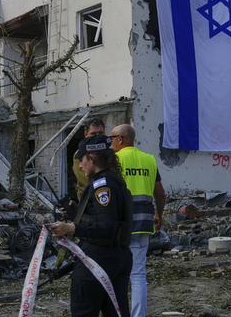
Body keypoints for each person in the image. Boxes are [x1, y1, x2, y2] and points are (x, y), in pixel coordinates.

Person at [49, 135, 133, 316]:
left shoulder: (103, 186)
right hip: (116, 257)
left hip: (99, 259)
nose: (80, 166)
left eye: (82, 160)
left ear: (92, 158)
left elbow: (107, 227)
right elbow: (100, 219)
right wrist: (74, 216)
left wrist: (72, 228)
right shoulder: (114, 181)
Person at [109, 124, 165, 317]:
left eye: (112, 138)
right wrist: (159, 214)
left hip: (120, 227)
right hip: (143, 224)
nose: (110, 143)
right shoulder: (149, 160)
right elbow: (160, 193)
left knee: (116, 274)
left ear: (121, 139)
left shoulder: (114, 160)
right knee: (138, 275)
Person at [72, 119, 106, 201]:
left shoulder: (108, 151)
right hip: (88, 199)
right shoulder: (80, 154)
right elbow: (86, 180)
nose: (97, 137)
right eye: (93, 134)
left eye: (100, 133)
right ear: (85, 134)